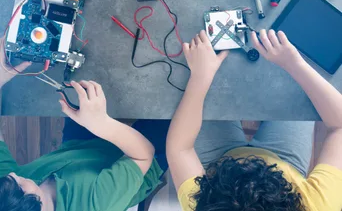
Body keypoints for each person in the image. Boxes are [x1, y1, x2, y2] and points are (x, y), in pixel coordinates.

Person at [166, 29, 342, 211]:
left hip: (217, 161)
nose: (249, 161)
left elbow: (180, 149)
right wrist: (295, 64)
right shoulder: (319, 205)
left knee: (197, 92)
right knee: (297, 94)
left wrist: (200, 76)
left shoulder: (204, 203)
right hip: (286, 163)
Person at [0, 38, 169, 211]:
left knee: (85, 74)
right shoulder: (95, 203)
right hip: (143, 160)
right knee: (170, 103)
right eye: (18, 184)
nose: (14, 174)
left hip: (80, 148)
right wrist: (101, 124)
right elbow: (143, 154)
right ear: (32, 202)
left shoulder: (6, 191)